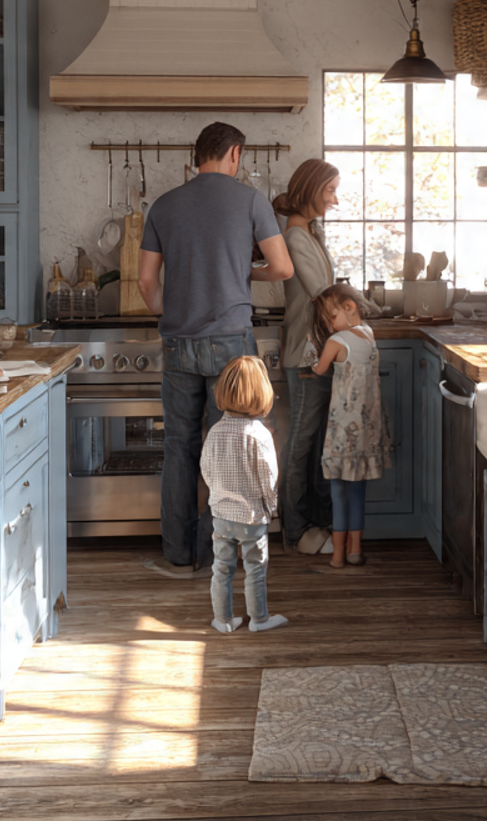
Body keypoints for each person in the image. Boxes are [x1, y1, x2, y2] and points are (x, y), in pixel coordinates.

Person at [139, 122, 294, 568]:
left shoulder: (165, 205)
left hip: (178, 342)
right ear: (235, 154)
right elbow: (282, 268)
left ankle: (178, 551)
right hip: (231, 343)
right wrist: (246, 273)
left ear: (196, 156)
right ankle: (216, 551)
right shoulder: (250, 201)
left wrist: (167, 313)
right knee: (231, 446)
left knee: (179, 445)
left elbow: (147, 280)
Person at [272, 158, 341, 555]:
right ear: (312, 189)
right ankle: (295, 532)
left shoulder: (309, 233)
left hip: (318, 352)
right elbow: (321, 292)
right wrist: (359, 306)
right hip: (306, 354)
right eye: (330, 190)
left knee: (314, 445)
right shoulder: (296, 236)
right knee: (300, 445)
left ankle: (314, 523)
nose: (335, 199)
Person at [201, 356, 288, 634]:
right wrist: (270, 507)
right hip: (252, 517)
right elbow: (269, 478)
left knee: (221, 569)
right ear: (262, 394)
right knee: (255, 568)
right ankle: (259, 620)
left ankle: (223, 620)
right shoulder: (259, 435)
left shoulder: (215, 432)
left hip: (221, 515)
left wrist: (218, 494)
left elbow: (206, 468)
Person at [309, 284, 392, 569]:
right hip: (367, 434)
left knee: (337, 493)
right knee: (358, 494)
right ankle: (356, 552)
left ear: (349, 307)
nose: (329, 324)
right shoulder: (369, 335)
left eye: (331, 317)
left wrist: (311, 356)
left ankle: (337, 557)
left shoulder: (338, 340)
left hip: (342, 433)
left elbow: (319, 369)